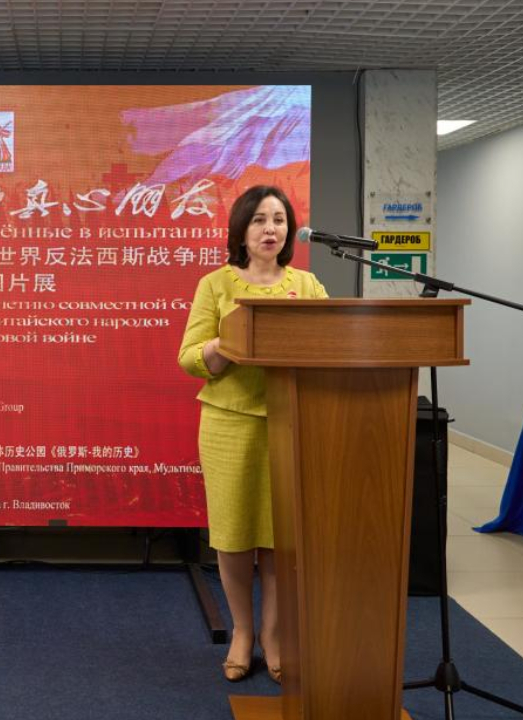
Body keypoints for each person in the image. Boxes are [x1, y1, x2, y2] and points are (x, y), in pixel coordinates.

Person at [177, 185, 328, 681]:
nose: (270, 229)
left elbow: (330, 346)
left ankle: (273, 634)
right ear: (241, 230)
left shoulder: (307, 285)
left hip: (292, 423)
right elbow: (189, 358)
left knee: (280, 537)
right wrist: (225, 342)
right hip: (230, 423)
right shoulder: (216, 284)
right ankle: (242, 631)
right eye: (260, 220)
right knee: (235, 534)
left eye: (279, 220)